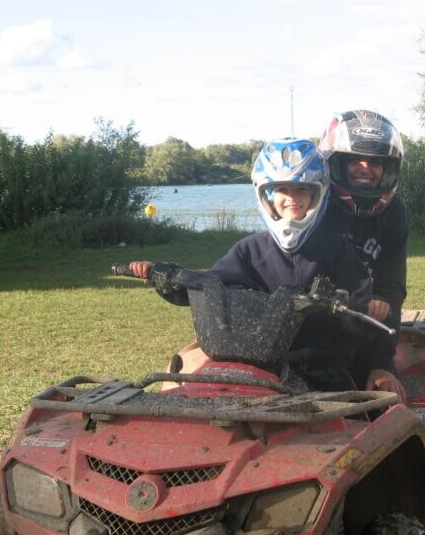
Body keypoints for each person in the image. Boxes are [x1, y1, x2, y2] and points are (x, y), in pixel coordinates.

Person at [129, 138, 406, 402]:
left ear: (318, 193)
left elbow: (360, 301)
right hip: (259, 366)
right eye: (282, 190)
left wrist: (368, 309)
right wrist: (166, 279)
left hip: (326, 370)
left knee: (354, 428)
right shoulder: (250, 250)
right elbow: (209, 285)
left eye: (302, 190)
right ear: (267, 196)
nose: (292, 198)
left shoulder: (337, 249)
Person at [318, 110, 409, 391]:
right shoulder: (315, 205)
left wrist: (381, 362)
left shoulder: (394, 213)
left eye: (376, 161)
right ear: (336, 163)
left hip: (367, 331)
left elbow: (391, 289)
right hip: (313, 333)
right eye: (355, 159)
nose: (365, 167)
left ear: (389, 168)